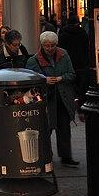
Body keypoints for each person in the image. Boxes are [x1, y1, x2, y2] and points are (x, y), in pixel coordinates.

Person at [27, 30, 78, 166]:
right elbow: (30, 79)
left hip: (62, 98)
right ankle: (43, 156)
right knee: (45, 128)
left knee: (64, 128)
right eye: (46, 46)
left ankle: (66, 157)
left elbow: (72, 74)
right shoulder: (34, 60)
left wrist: (61, 78)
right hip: (46, 99)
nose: (49, 48)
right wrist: (45, 80)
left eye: (52, 45)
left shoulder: (64, 55)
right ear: (42, 45)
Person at [58, 13, 91, 101]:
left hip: (68, 62)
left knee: (69, 84)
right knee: (81, 85)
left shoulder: (63, 35)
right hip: (81, 63)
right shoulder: (83, 34)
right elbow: (86, 49)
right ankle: (80, 99)